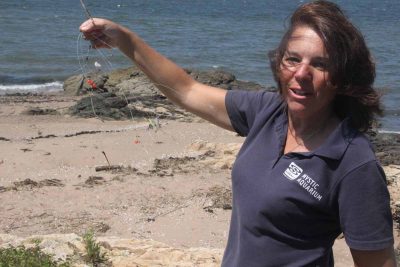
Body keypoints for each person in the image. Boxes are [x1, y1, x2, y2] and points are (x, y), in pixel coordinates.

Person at [80, 1, 396, 266]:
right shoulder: (268, 112)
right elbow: (186, 90)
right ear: (280, 63)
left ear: (341, 77)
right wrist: (123, 38)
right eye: (293, 59)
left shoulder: (354, 164)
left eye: (321, 64)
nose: (301, 74)